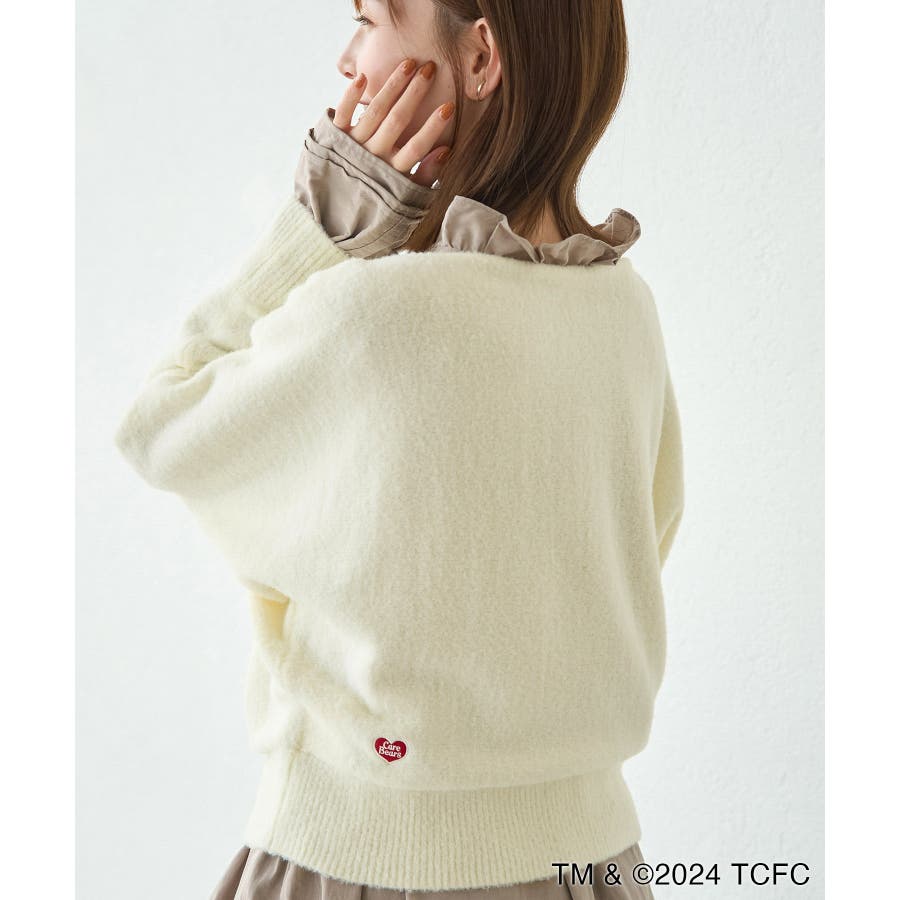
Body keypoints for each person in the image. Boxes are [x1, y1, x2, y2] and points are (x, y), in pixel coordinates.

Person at [113, 1, 685, 898]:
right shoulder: (625, 311)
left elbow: (158, 427)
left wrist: (318, 229)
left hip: (364, 861)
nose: (349, 59)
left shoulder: (375, 316)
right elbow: (645, 539)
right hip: (595, 866)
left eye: (372, 17)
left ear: (482, 58)